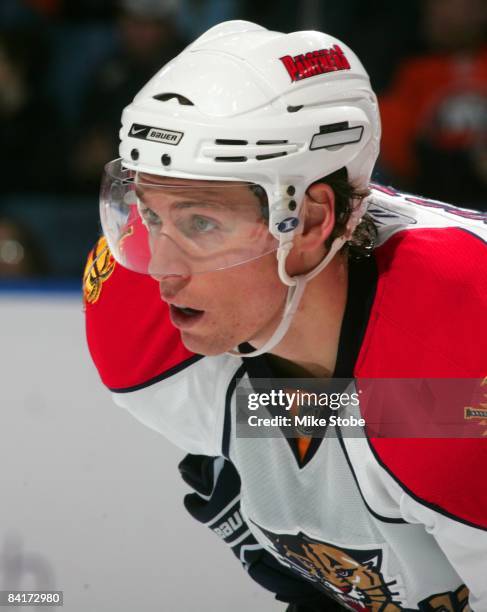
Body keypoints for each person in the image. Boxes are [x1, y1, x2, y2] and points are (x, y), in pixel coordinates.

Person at [83, 21, 487, 611]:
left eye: (201, 223)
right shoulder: (136, 315)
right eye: (149, 213)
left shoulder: (456, 368)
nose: (160, 268)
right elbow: (352, 411)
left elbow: (412, 415)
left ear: (315, 221)